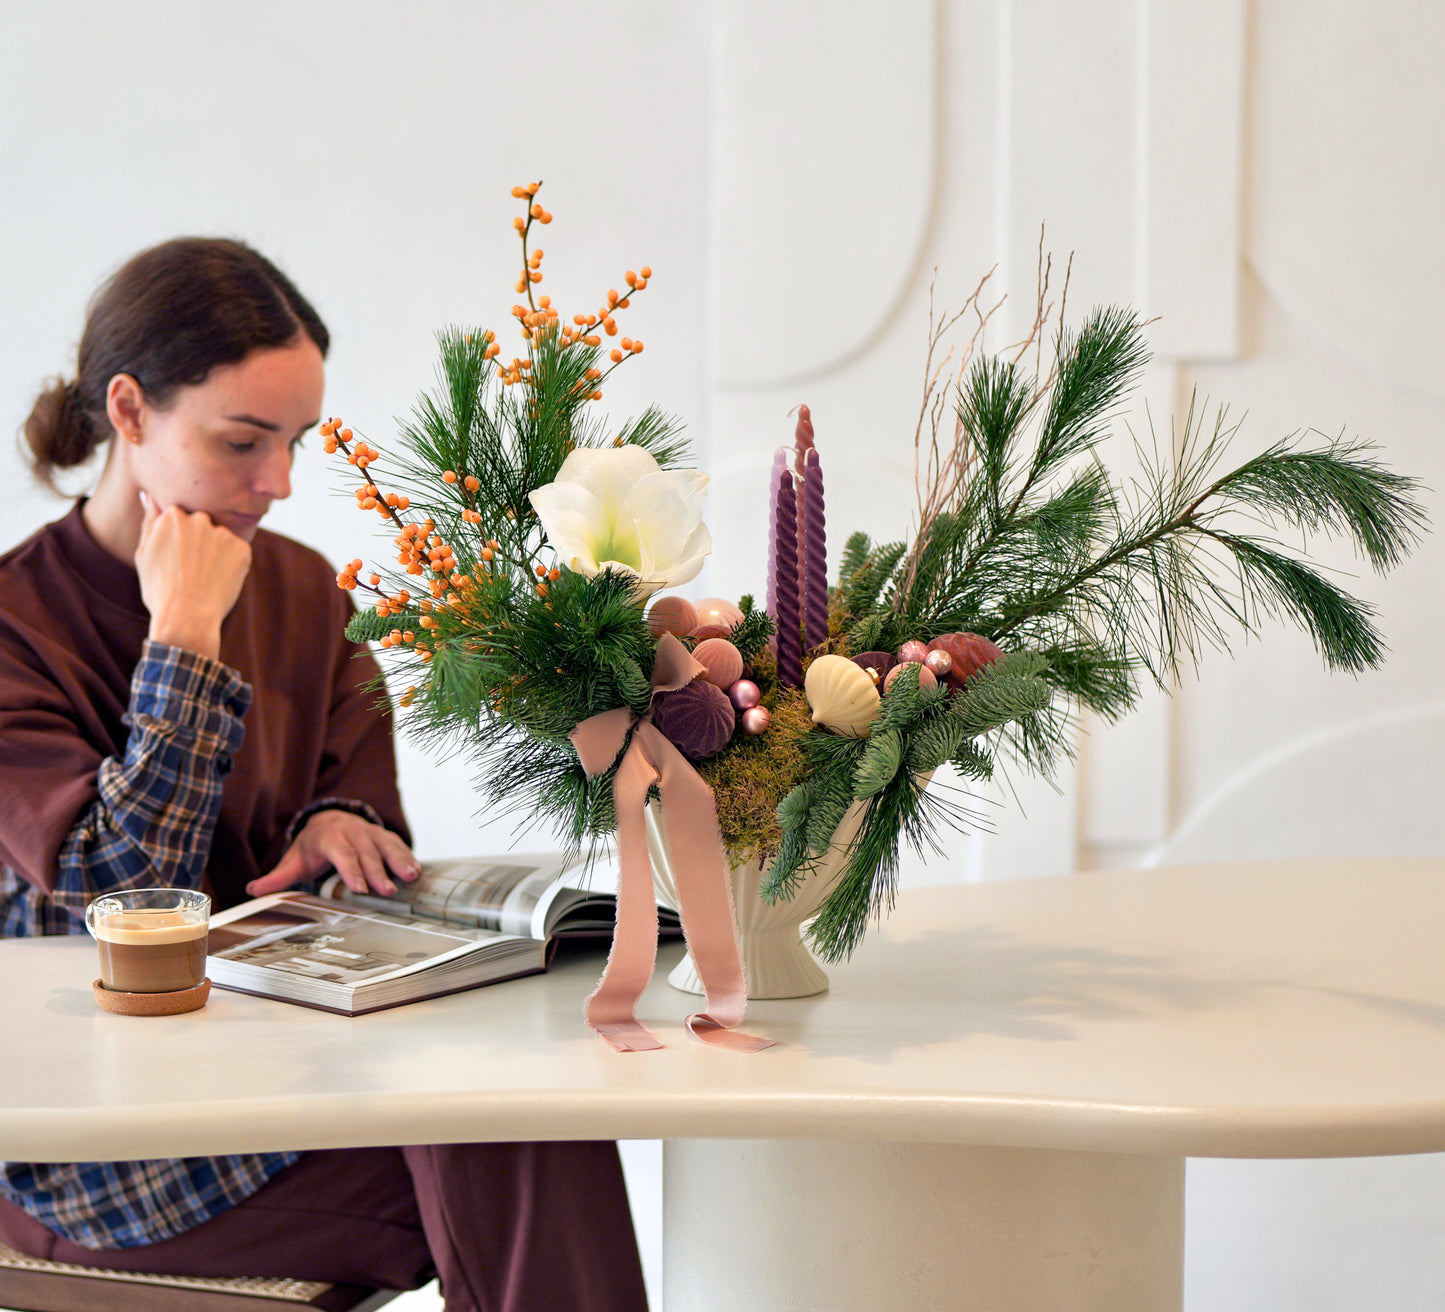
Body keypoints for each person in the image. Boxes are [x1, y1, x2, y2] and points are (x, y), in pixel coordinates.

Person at [0, 237, 648, 1312]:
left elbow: (365, 807)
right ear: (127, 411)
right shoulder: (17, 620)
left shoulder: (302, 586)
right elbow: (113, 890)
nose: (280, 482)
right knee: (510, 1142)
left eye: (294, 440)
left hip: (289, 1072)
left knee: (521, 1112)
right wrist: (186, 637)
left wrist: (339, 823)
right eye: (243, 440)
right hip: (97, 1141)